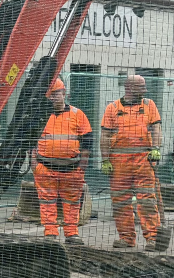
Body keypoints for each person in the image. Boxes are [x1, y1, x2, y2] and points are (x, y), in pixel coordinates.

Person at [100, 74, 166, 250]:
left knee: (147, 200)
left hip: (144, 161)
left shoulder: (149, 105)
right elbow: (105, 135)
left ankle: (152, 238)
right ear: (129, 88)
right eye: (141, 87)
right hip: (119, 164)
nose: (144, 91)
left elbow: (156, 128)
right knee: (120, 202)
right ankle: (127, 238)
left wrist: (156, 148)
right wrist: (105, 159)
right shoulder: (112, 108)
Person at [33, 77, 92, 244]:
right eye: (50, 94)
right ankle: (50, 233)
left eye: (56, 93)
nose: (53, 97)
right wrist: (33, 164)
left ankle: (71, 234)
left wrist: (82, 166)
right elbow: (30, 140)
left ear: (64, 93)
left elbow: (88, 140)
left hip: (72, 169)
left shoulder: (77, 114)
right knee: (47, 202)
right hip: (45, 167)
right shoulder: (39, 115)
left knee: (72, 202)